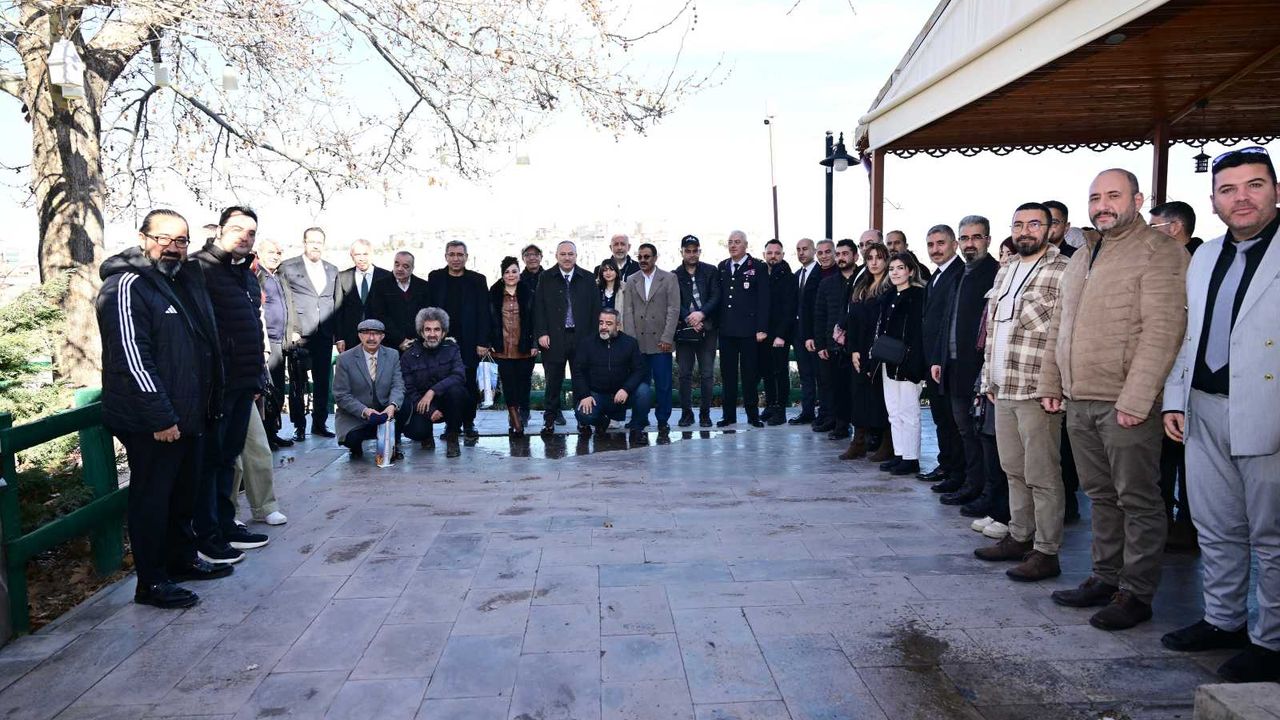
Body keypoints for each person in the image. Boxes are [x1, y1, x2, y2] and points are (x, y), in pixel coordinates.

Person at [1040, 168, 1189, 631]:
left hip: (1125, 401)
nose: (1102, 205)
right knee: (1101, 496)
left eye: (1113, 195)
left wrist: (1137, 399)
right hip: (1079, 397)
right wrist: (1051, 383)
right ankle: (1104, 578)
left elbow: (1164, 330)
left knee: (1138, 499)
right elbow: (1060, 325)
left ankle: (1136, 592)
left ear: (1137, 200)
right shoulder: (1084, 254)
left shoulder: (1160, 251)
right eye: (1095, 197)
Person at [1160, 146, 1280, 682]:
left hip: (1268, 410)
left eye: (1254, 185)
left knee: (1272, 535)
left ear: (1276, 191)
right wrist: (1174, 397)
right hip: (1203, 407)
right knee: (1215, 525)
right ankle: (1223, 620)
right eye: (1228, 190)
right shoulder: (1205, 255)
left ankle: (1272, 640)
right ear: (1213, 202)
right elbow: (1189, 333)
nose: (1241, 198)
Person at [97, 209, 228, 609]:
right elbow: (131, 356)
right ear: (143, 238)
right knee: (152, 501)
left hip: (188, 415)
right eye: (163, 238)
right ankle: (151, 582)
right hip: (153, 420)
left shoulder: (179, 280)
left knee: (183, 495)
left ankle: (182, 560)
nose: (172, 247)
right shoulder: (126, 284)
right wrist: (160, 416)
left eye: (181, 240)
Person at [973, 202, 1073, 583]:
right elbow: (994, 332)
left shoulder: (1064, 270)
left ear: (1050, 229)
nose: (1025, 231)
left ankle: (1046, 552)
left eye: (1034, 224)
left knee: (1042, 474)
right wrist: (988, 381)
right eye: (1018, 224)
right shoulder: (1005, 270)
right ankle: (1019, 536)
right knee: (1013, 469)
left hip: (1036, 390)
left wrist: (1055, 385)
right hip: (1003, 388)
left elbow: (1064, 335)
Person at [190, 206, 270, 564]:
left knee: (228, 458)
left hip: (243, 382)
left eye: (251, 232)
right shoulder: (199, 269)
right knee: (209, 462)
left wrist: (257, 376)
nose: (244, 237)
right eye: (237, 229)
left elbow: (253, 326)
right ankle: (206, 535)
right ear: (220, 230)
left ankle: (225, 523)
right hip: (215, 386)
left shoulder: (246, 275)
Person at [930, 216, 1000, 508]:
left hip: (980, 369)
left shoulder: (995, 273)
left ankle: (987, 493)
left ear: (988, 240)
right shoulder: (960, 274)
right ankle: (970, 484)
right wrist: (939, 358)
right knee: (964, 431)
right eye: (965, 238)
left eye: (976, 237)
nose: (970, 244)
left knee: (982, 434)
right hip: (954, 366)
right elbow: (947, 320)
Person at [1150, 199, 1204, 551]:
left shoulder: (1198, 264)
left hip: (1190, 380)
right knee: (1163, 459)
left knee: (1187, 459)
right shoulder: (1163, 264)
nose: (1148, 235)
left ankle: (1186, 526)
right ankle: (1166, 523)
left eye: (1153, 228)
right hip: (1160, 379)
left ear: (1174, 227)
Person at [859, 252, 926, 475]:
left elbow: (918, 332)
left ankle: (911, 458)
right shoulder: (887, 297)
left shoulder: (918, 296)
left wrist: (914, 360)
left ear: (911, 271)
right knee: (894, 411)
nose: (895, 273)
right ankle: (900, 453)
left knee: (909, 411)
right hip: (888, 361)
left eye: (900, 268)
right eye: (892, 269)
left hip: (908, 362)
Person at [277, 227, 339, 440]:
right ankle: (299, 426)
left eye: (319, 242)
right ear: (304, 243)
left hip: (324, 333)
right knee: (298, 383)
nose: (315, 246)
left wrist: (336, 333)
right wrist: (292, 330)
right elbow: (286, 301)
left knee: (323, 381)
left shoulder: (332, 270)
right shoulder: (288, 267)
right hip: (300, 334)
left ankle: (319, 424)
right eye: (311, 241)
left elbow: (336, 301)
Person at [427, 241, 492, 438]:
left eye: (460, 255)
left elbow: (484, 312)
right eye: (452, 254)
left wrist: (483, 341)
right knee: (446, 384)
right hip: (442, 342)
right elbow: (429, 310)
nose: (456, 258)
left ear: (466, 257)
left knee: (469, 384)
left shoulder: (477, 280)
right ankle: (451, 425)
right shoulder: (435, 277)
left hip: (469, 342)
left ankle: (469, 422)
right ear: (446, 256)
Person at [534, 241, 601, 434]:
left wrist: (593, 338)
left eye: (570, 254)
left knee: (582, 380)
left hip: (581, 338)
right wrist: (542, 333)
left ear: (576, 256)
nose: (567, 257)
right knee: (553, 381)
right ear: (556, 256)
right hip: (554, 338)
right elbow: (539, 307)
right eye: (562, 254)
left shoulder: (587, 278)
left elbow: (595, 309)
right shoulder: (546, 277)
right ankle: (549, 420)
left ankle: (583, 420)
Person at [918, 225, 966, 489]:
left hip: (948, 360)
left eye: (940, 243)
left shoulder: (959, 274)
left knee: (952, 419)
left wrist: (938, 357)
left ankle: (957, 474)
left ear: (954, 245)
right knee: (940, 418)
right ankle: (946, 464)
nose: (935, 249)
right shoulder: (936, 276)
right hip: (932, 360)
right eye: (930, 244)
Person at [839, 241, 890, 460]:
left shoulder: (889, 287)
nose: (874, 262)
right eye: (870, 258)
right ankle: (858, 441)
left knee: (881, 399)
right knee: (858, 396)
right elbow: (852, 320)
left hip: (879, 351)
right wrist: (853, 350)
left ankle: (888, 444)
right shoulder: (861, 286)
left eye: (879, 257)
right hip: (858, 349)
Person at [716, 230, 771, 427]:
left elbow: (764, 299)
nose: (733, 245)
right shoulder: (723, 266)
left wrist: (762, 328)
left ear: (746, 245)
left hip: (749, 331)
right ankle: (728, 416)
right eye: (730, 242)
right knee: (728, 376)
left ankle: (752, 415)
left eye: (737, 242)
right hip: (727, 331)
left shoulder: (757, 266)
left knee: (750, 375)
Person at [624, 243, 680, 432]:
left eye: (646, 257)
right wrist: (631, 341)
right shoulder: (631, 280)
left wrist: (667, 337)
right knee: (640, 384)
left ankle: (663, 419)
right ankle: (640, 418)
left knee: (663, 384)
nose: (642, 260)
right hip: (638, 342)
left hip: (661, 341)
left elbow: (674, 309)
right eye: (640, 257)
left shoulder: (669, 278)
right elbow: (628, 310)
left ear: (655, 258)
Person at [400, 308, 470, 457]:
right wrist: (430, 411)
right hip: (421, 404)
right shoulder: (408, 356)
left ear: (443, 332)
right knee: (417, 431)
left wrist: (432, 391)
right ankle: (426, 435)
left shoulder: (452, 349)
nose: (432, 334)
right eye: (428, 329)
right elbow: (408, 389)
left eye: (437, 329)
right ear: (421, 332)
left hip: (447, 402)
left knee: (458, 392)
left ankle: (452, 437)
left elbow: (459, 375)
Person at [333, 319, 405, 459]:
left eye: (376, 333)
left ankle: (392, 442)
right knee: (352, 439)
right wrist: (365, 411)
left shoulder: (393, 355)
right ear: (359, 335)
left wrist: (392, 405)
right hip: (357, 415)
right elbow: (341, 395)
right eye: (366, 333)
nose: (371, 338)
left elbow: (398, 385)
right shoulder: (344, 359)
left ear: (382, 336)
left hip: (385, 411)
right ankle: (356, 446)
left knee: (404, 405)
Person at [573, 309, 650, 436]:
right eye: (601, 322)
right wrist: (585, 395)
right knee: (582, 414)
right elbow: (578, 371)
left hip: (622, 395)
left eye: (608, 323)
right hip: (597, 395)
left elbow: (639, 370)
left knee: (644, 391)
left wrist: (626, 389)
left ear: (618, 326)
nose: (603, 327)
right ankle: (603, 422)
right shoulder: (587, 343)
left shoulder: (630, 343)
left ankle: (637, 430)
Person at [674, 235, 721, 428]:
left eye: (695, 250)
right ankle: (686, 414)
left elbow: (716, 296)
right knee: (684, 374)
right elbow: (674, 301)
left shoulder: (710, 271)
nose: (692, 254)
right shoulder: (674, 275)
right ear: (682, 252)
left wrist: (701, 314)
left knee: (707, 374)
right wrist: (689, 318)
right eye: (688, 251)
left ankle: (705, 414)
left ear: (699, 251)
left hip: (707, 328)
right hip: (685, 331)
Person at [813, 240, 859, 439]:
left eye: (845, 254)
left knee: (860, 390)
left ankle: (865, 431)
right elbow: (819, 315)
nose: (841, 258)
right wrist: (821, 344)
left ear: (855, 256)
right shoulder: (827, 283)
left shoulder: (864, 279)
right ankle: (841, 426)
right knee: (837, 388)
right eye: (838, 254)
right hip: (833, 346)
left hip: (859, 344)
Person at [254, 239, 295, 450]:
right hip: (266, 342)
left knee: (276, 391)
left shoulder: (278, 276)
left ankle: (273, 432)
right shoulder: (257, 275)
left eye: (279, 252)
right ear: (260, 253)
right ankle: (266, 436)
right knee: (266, 393)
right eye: (271, 252)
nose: (275, 256)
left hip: (280, 341)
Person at [489, 257, 537, 435]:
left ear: (519, 273)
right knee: (508, 385)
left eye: (514, 271)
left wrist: (534, 343)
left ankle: (523, 413)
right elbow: (487, 320)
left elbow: (536, 319)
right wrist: (489, 342)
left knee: (523, 384)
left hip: (524, 347)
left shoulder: (528, 293)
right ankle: (514, 418)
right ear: (502, 275)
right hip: (501, 348)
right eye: (507, 272)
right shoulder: (494, 293)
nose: (511, 275)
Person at [759, 239, 797, 425]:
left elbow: (790, 308)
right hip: (763, 334)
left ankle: (780, 410)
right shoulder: (761, 274)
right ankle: (770, 405)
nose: (773, 256)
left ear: (782, 255)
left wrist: (781, 335)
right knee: (766, 371)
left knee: (780, 372)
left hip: (780, 334)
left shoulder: (788, 277)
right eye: (770, 253)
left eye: (777, 253)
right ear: (764, 254)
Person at [365, 251, 432, 352]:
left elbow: (426, 315)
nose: (400, 269)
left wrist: (415, 340)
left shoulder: (423, 286)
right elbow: (379, 316)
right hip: (388, 345)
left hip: (418, 344)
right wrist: (400, 340)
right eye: (397, 264)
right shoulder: (380, 286)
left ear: (412, 268)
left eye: (405, 266)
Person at [806, 239, 841, 428]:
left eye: (828, 252)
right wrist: (811, 336)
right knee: (823, 379)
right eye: (820, 253)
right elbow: (809, 309)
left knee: (836, 382)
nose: (824, 256)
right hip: (819, 335)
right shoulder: (813, 274)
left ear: (834, 253)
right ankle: (825, 414)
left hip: (838, 337)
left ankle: (836, 418)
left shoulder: (840, 274)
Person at [334, 239, 391, 353]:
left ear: (372, 254)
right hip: (351, 338)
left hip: (380, 337)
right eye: (357, 254)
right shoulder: (342, 277)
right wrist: (339, 338)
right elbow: (338, 310)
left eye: (365, 254)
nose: (361, 258)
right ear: (351, 256)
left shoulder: (387, 276)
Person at [790, 237, 822, 425]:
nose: (801, 253)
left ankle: (825, 414)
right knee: (805, 375)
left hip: (816, 333)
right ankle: (807, 412)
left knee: (821, 376)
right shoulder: (796, 276)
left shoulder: (821, 273)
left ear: (814, 251)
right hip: (799, 334)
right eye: (798, 249)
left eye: (805, 249)